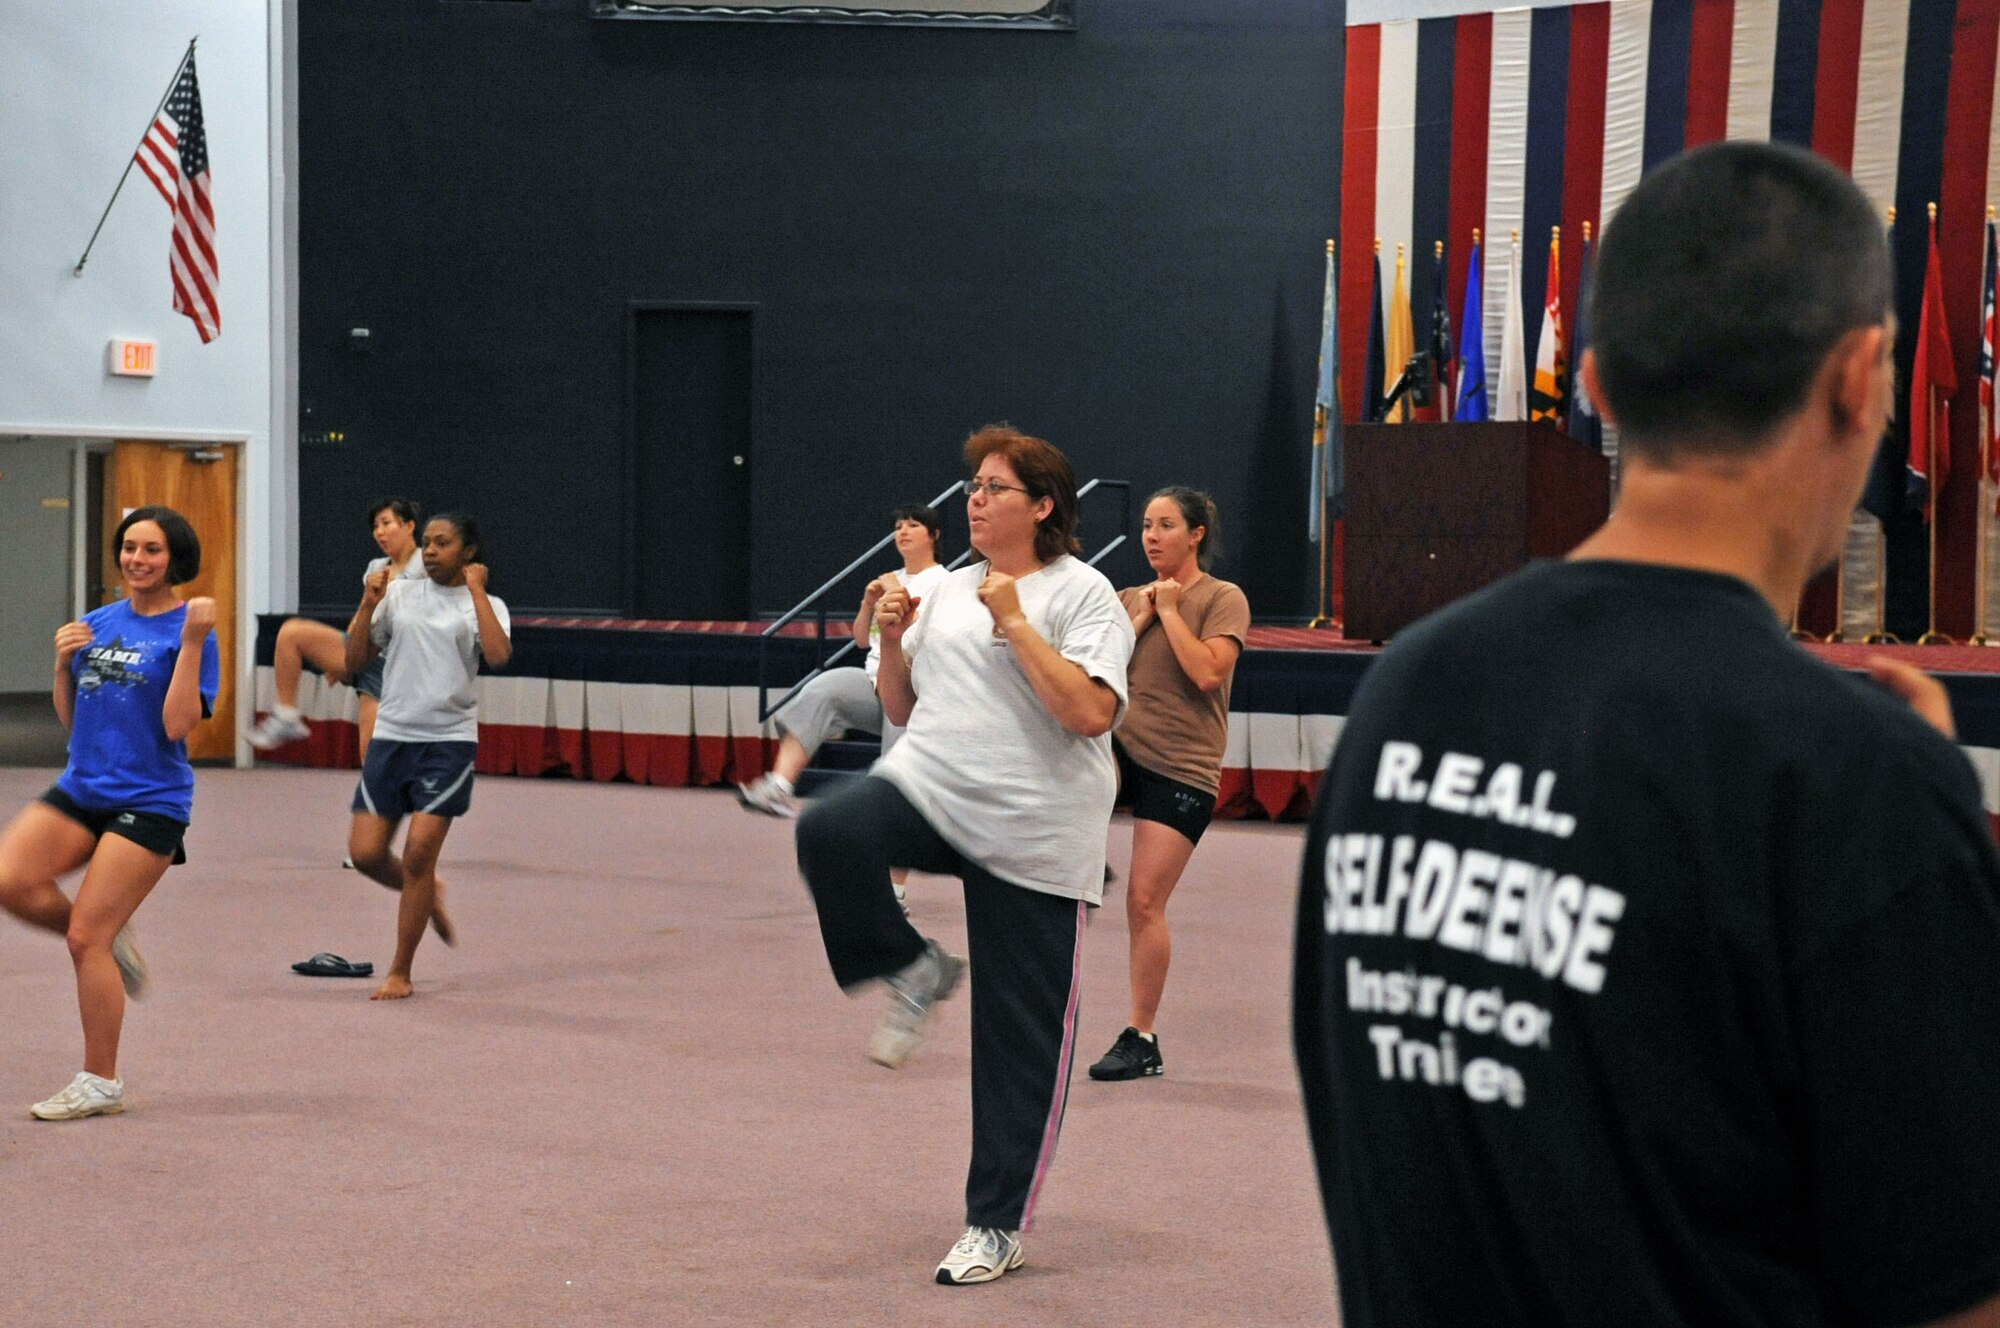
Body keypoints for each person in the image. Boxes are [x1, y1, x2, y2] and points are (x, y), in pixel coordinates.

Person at [1294, 140, 2000, 1327]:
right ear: (1860, 376)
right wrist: (1906, 826)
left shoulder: (1407, 691)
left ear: (1598, 384)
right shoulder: (1846, 780)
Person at [794, 425, 1134, 1285]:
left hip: (1036, 827)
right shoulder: (945, 588)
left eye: (995, 487)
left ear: (1043, 505)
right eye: (972, 485)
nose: (974, 500)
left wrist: (1016, 624)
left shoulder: (1083, 592)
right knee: (830, 829)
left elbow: (1090, 715)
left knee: (1017, 1041)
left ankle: (995, 1225)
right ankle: (912, 968)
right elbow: (899, 707)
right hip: (935, 787)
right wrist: (898, 641)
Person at [0, 506, 218, 1120]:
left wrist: (194, 641)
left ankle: (101, 1082)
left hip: (149, 800)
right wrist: (60, 664)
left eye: (151, 550)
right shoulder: (97, 623)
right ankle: (111, 930)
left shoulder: (191, 629)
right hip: (83, 785)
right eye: (129, 548)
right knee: (10, 881)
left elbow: (179, 726)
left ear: (174, 559)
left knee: (81, 938)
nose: (137, 560)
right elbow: (74, 721)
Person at [1088, 488, 1247, 1081]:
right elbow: (1097, 666)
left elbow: (1207, 672)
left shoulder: (1222, 598)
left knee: (1144, 902)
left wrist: (1174, 610)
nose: (1152, 536)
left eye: (1166, 526)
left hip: (1182, 765)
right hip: (1117, 750)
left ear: (1196, 533)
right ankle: (1083, 852)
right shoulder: (1129, 597)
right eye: (1147, 526)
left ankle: (1141, 1037)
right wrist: (1144, 613)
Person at [344, 512, 511, 1001]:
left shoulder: (488, 604)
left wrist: (477, 593)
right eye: (429, 544)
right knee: (366, 855)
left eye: (443, 543)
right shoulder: (399, 594)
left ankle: (401, 971)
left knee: (418, 853)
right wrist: (366, 603)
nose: (431, 551)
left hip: (448, 743)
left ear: (469, 552)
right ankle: (428, 893)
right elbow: (356, 661)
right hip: (393, 736)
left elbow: (498, 656)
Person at [737, 503, 949, 820]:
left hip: (913, 687)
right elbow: (864, 639)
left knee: (896, 775)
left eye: (913, 525)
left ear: (933, 535)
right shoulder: (889, 578)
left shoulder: (943, 583)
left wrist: (896, 592)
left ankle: (894, 829)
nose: (903, 531)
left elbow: (920, 638)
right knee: (823, 689)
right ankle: (779, 787)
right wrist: (867, 604)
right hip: (873, 679)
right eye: (898, 526)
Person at [249, 497, 424, 755]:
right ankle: (286, 715)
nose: (379, 532)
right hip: (366, 654)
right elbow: (363, 614)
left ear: (409, 526)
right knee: (291, 632)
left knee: (372, 754)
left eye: (386, 523)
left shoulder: (426, 565)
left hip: (399, 664)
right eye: (375, 527)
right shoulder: (376, 567)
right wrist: (345, 657)